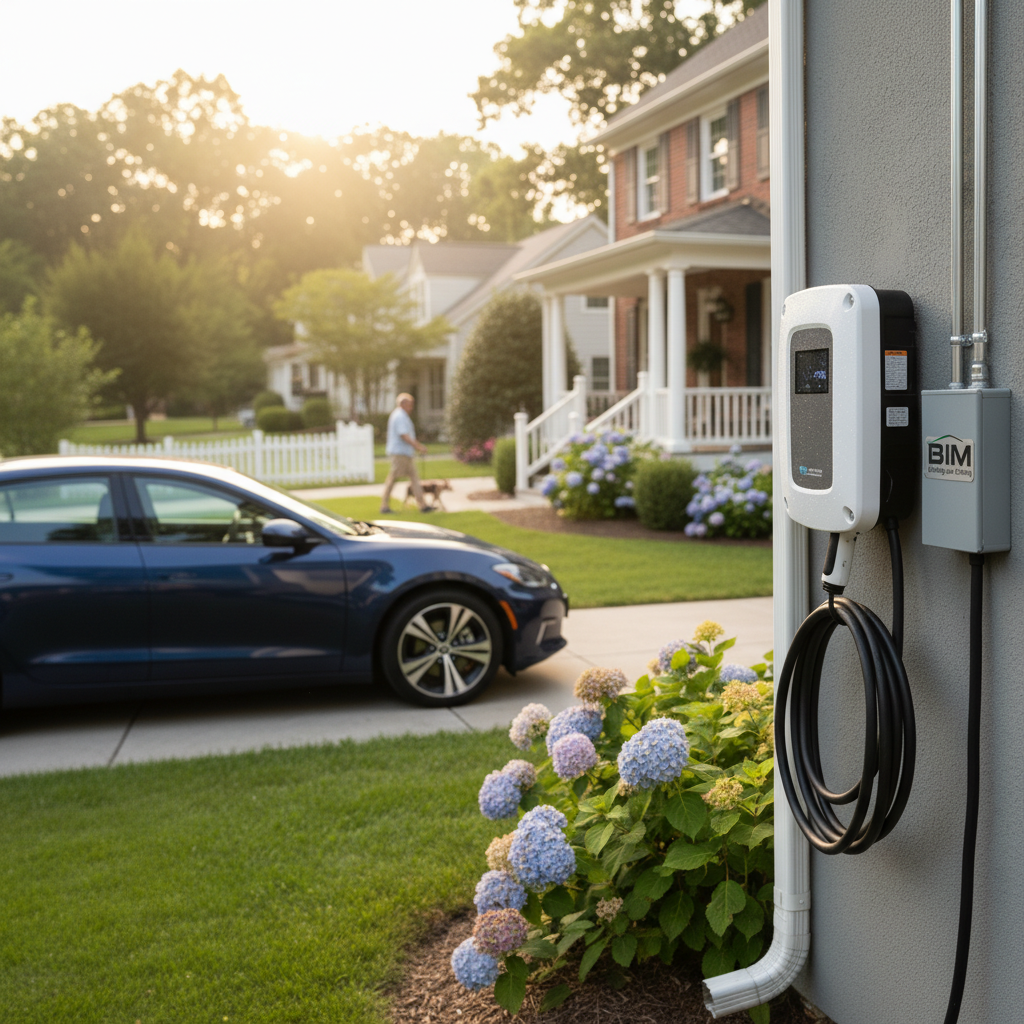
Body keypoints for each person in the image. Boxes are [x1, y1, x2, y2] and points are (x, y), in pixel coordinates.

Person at [381, 393, 431, 513]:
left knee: (414, 478)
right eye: (410, 405)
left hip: (406, 453)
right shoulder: (399, 416)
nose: (411, 407)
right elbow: (404, 436)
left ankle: (423, 505)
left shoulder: (403, 416)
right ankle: (384, 505)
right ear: (403, 404)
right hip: (400, 453)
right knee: (393, 478)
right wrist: (419, 447)